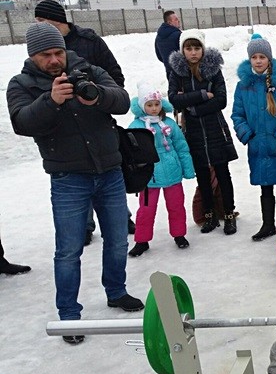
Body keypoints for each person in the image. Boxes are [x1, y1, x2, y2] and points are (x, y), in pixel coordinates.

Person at [7, 23, 143, 344]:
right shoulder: (22, 84)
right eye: (46, 55)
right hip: (68, 178)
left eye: (58, 52)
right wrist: (51, 100)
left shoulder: (88, 70)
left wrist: (98, 97)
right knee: (68, 250)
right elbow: (21, 122)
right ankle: (68, 314)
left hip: (109, 171)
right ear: (32, 55)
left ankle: (116, 291)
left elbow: (122, 100)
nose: (55, 60)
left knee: (117, 240)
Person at [34, 0, 131, 244]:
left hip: (96, 119)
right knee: (76, 175)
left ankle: (122, 218)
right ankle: (85, 225)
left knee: (108, 175)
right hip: (64, 130)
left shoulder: (89, 41)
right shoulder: (39, 55)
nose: (39, 28)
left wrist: (100, 96)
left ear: (57, 20)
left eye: (43, 22)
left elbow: (115, 76)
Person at [168, 29, 239, 235]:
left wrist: (194, 108)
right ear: (183, 50)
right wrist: (202, 95)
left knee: (223, 173)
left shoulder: (213, 70)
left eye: (197, 48)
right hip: (193, 132)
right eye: (189, 48)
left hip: (215, 128)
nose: (193, 52)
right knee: (202, 175)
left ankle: (228, 214)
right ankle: (209, 215)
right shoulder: (177, 73)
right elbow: (174, 99)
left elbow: (221, 100)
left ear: (203, 49)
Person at [232, 34, 276, 241]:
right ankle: (268, 224)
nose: (258, 61)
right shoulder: (243, 87)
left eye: (262, 57)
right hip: (258, 146)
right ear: (249, 59)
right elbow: (237, 115)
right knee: (265, 187)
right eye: (254, 57)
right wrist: (248, 135)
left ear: (269, 59)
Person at [127, 84, 195, 257]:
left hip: (172, 172)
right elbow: (130, 153)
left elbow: (181, 146)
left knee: (176, 206)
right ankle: (142, 240)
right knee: (146, 210)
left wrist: (188, 169)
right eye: (149, 105)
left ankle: (179, 234)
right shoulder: (136, 126)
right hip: (149, 176)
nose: (154, 108)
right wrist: (135, 176)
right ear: (142, 106)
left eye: (157, 104)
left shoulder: (169, 123)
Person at [155, 10, 182, 79]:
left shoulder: (158, 37)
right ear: (170, 23)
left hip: (169, 71)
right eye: (176, 19)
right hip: (181, 71)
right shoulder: (178, 35)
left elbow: (159, 56)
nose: (178, 21)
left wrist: (167, 62)